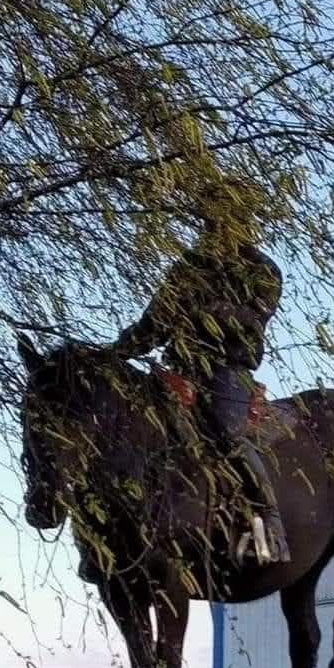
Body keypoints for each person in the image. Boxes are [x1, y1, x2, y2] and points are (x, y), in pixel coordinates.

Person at [113, 189, 290, 564]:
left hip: (227, 369)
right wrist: (114, 353)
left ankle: (270, 528)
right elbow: (154, 322)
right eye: (209, 219)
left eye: (223, 218)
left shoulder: (262, 271)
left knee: (229, 434)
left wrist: (197, 308)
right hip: (182, 367)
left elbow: (250, 319)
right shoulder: (187, 268)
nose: (213, 227)